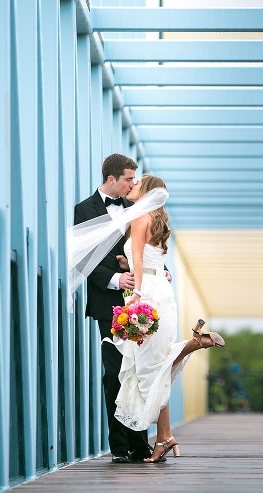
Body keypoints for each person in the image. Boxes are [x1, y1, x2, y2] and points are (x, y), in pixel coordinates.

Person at [114, 174, 225, 463]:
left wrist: (136, 293)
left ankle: (193, 343)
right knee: (156, 365)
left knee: (151, 367)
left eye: (137, 184)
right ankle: (165, 437)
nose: (132, 186)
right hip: (162, 289)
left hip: (147, 293)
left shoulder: (139, 218)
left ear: (147, 192)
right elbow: (152, 259)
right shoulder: (158, 220)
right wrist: (130, 266)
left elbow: (139, 259)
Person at [71, 153, 156, 463]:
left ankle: (141, 443)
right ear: (111, 179)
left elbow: (147, 250)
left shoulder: (136, 208)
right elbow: (82, 259)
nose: (133, 184)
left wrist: (161, 271)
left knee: (139, 371)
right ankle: (120, 445)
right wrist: (117, 279)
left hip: (141, 304)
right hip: (108, 304)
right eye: (129, 179)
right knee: (115, 374)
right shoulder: (84, 210)